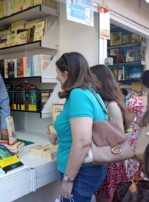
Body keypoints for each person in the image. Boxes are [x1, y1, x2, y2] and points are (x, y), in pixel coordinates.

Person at [51, 52, 107, 201]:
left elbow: (82, 142)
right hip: (89, 169)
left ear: (66, 74)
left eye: (57, 73)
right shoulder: (91, 92)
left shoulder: (78, 94)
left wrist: (68, 180)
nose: (57, 77)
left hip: (80, 171)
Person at [90, 65, 130, 202]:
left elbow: (118, 135)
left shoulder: (111, 105)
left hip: (109, 160)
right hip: (104, 158)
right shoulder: (100, 102)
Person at [126, 69, 149, 181]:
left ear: (142, 83)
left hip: (140, 143)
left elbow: (126, 124)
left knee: (138, 180)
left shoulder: (136, 101)